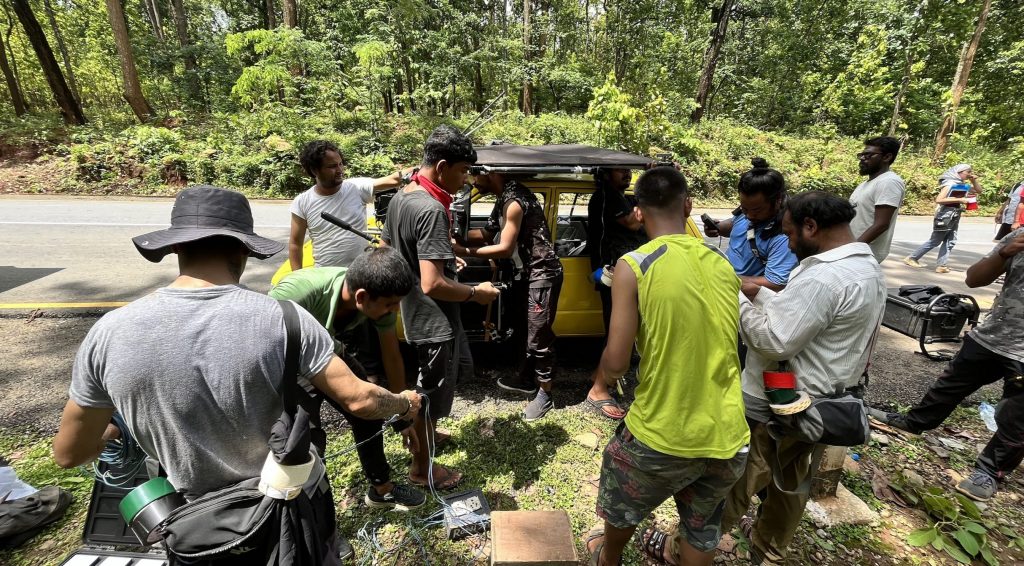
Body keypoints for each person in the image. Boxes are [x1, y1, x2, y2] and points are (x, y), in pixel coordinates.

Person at [52, 186, 422, 563]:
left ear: (176, 247)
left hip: (194, 523)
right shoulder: (286, 319)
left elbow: (69, 453)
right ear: (245, 249)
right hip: (287, 511)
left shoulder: (107, 334)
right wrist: (403, 403)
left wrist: (118, 430)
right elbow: (359, 399)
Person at [584, 167, 750, 566]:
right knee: (701, 530)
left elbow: (617, 362)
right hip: (728, 434)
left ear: (638, 212)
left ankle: (608, 556)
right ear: (688, 206)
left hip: (663, 432)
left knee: (621, 504)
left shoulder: (635, 264)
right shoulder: (721, 261)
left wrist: (603, 378)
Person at [720, 191, 885, 564]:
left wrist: (736, 298)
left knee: (738, 477)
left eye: (790, 233)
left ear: (811, 226)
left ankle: (693, 542)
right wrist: (760, 295)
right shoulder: (866, 266)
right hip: (818, 403)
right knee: (789, 480)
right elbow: (809, 318)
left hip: (779, 402)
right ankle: (769, 547)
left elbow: (774, 340)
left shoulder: (825, 276)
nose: (789, 242)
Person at [381, 125, 499, 490]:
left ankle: (424, 432)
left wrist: (444, 259)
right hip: (434, 320)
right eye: (462, 171)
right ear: (443, 166)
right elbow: (432, 284)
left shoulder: (403, 196)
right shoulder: (431, 209)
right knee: (429, 394)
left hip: (414, 314)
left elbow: (387, 251)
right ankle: (422, 468)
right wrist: (475, 292)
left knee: (432, 387)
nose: (465, 181)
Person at [871, 229, 1024, 501]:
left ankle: (989, 471)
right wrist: (1004, 253)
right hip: (992, 336)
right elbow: (974, 279)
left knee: (1016, 418)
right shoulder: (1019, 236)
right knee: (949, 385)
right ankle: (914, 422)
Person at [269, 248, 427, 510]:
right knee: (304, 438)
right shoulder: (295, 294)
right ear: (362, 297)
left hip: (329, 351)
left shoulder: (377, 298)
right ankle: (310, 514)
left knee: (371, 410)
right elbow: (262, 344)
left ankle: (382, 489)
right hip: (289, 365)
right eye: (391, 304)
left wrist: (403, 414)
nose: (395, 310)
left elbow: (392, 357)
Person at [452, 171, 564, 421]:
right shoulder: (503, 197)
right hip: (525, 273)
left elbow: (504, 248)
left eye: (475, 174)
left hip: (542, 273)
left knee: (539, 335)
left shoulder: (514, 200)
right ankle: (525, 379)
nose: (472, 180)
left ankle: (545, 393)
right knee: (522, 330)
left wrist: (463, 250)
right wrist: (453, 235)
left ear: (492, 173)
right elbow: (488, 234)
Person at [583, 167, 647, 420]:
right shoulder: (607, 196)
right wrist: (652, 193)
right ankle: (599, 387)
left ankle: (599, 377)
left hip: (621, 271)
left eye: (629, 170)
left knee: (619, 330)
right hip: (614, 273)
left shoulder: (618, 196)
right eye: (621, 170)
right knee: (619, 332)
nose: (627, 175)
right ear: (606, 174)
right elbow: (633, 222)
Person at [289, 140, 407, 271]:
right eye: (332, 166)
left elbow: (394, 180)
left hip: (361, 271)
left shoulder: (355, 187)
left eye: (340, 164)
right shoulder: (302, 202)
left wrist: (422, 168)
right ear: (314, 170)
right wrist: (297, 276)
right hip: (325, 274)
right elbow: (295, 244)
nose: (340, 170)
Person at [704, 158, 799, 290]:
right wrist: (717, 228)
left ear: (778, 200)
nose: (748, 216)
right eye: (744, 209)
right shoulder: (749, 211)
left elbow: (775, 283)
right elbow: (734, 225)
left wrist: (724, 278)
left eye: (756, 211)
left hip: (742, 296)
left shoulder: (784, 237)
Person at [904, 164, 982, 273]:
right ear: (958, 172)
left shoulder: (961, 185)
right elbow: (939, 200)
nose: (969, 174)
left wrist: (973, 181)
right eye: (967, 172)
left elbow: (978, 191)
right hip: (945, 214)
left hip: (955, 213)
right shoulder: (950, 184)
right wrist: (959, 200)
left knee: (950, 240)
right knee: (935, 240)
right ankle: (912, 258)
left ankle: (941, 265)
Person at [848, 136, 906, 263]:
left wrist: (852, 249)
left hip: (863, 254)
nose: (862, 158)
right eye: (861, 155)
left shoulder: (889, 182)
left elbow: (881, 224)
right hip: (854, 250)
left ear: (887, 157)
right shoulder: (865, 184)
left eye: (868, 155)